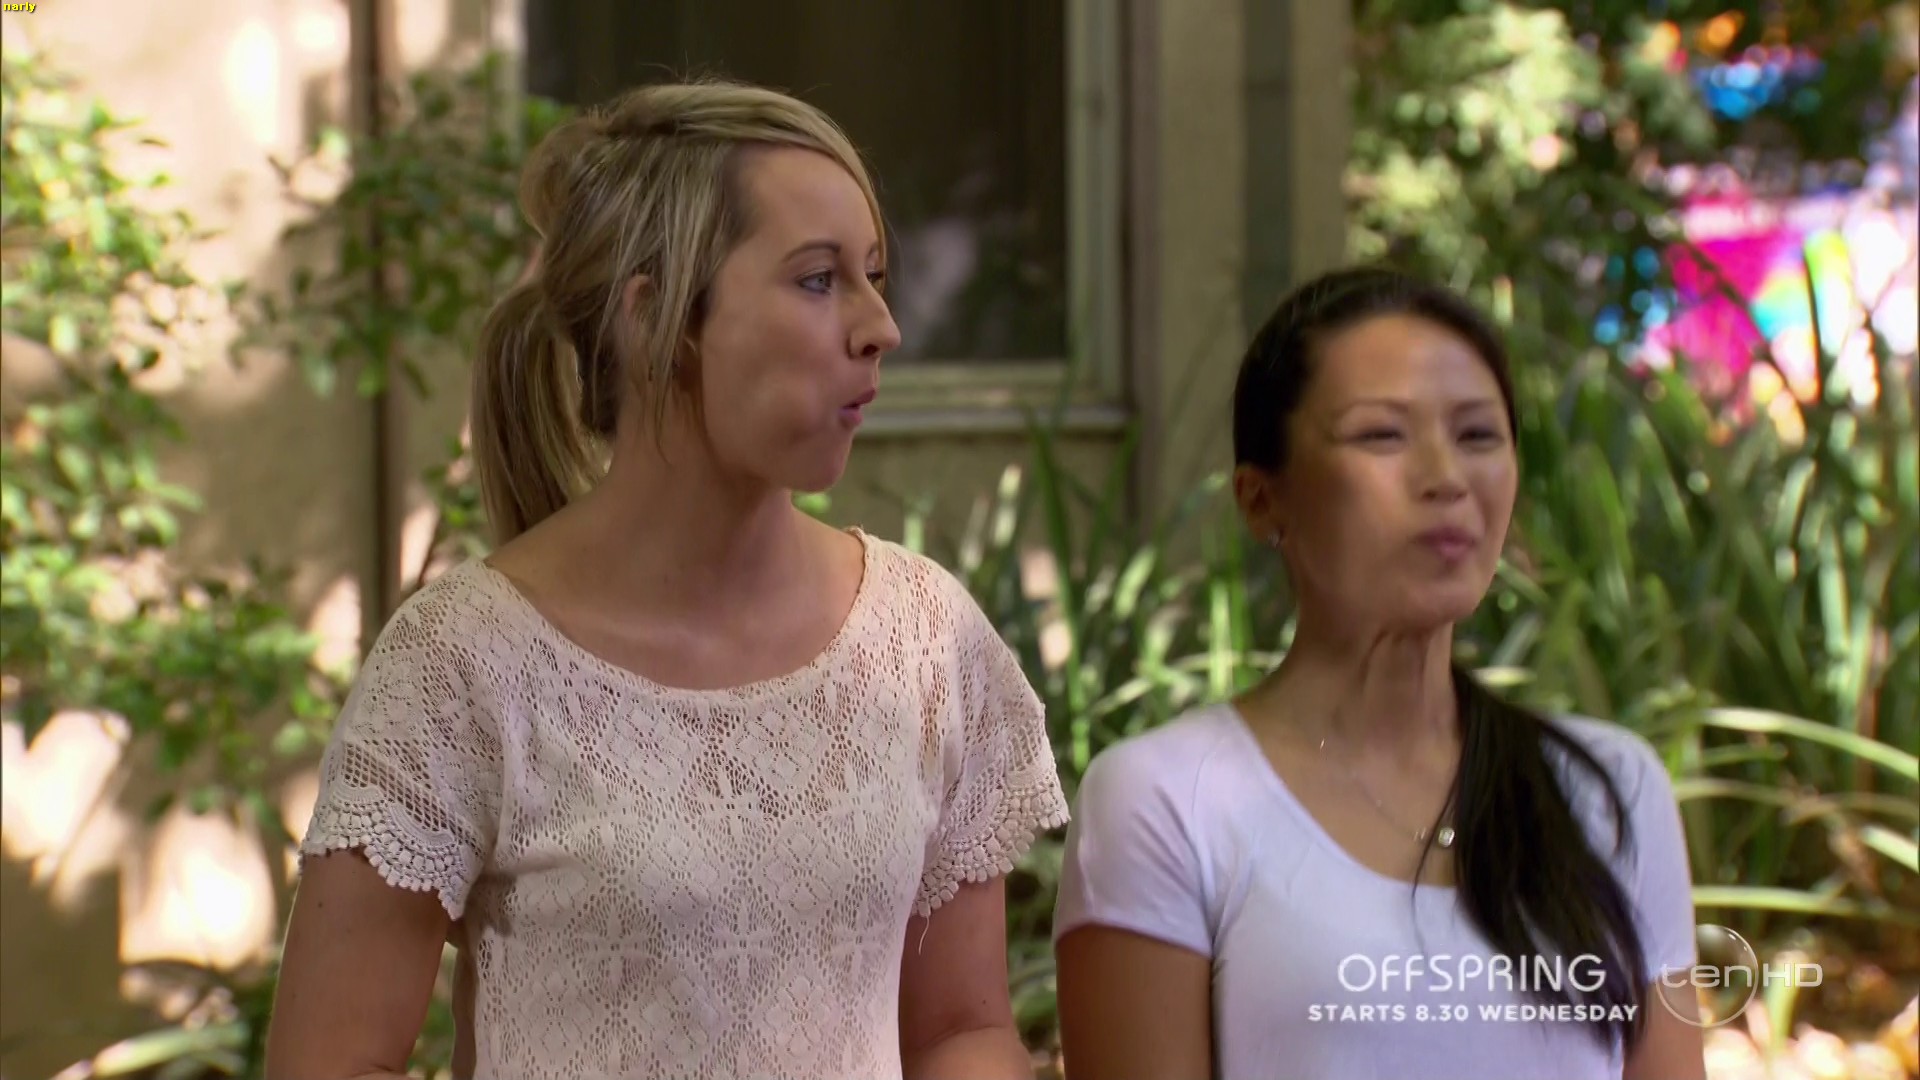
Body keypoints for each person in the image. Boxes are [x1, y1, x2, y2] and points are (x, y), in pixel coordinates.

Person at [264, 79, 1068, 1080]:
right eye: (819, 280)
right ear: (654, 320)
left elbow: (960, 1030)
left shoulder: (922, 639)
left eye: (873, 275)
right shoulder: (462, 663)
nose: (881, 327)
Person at [1051, 267, 1707, 1080]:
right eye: (1381, 436)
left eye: (1478, 435)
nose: (1446, 478)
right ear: (1261, 500)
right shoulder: (1165, 802)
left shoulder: (1606, 789)